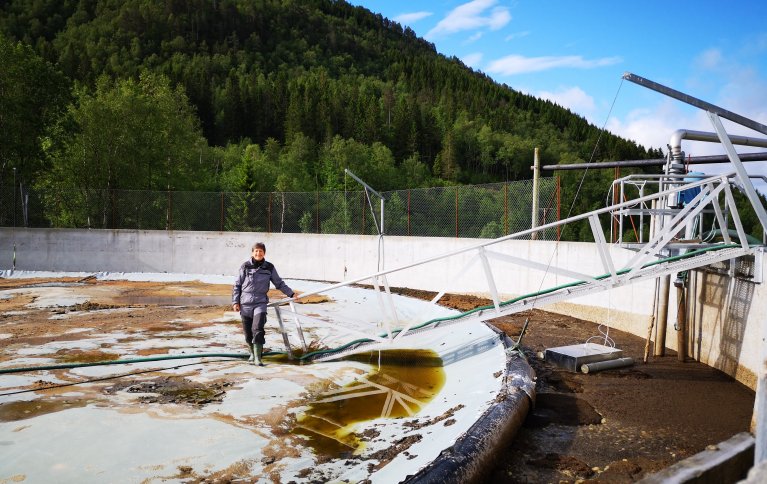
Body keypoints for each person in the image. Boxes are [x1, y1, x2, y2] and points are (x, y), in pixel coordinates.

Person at [232, 242, 295, 366]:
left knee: (258, 329)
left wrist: (291, 294)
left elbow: (279, 283)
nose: (258, 253)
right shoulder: (245, 266)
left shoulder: (269, 267)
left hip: (260, 303)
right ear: (252, 253)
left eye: (261, 251)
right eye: (256, 251)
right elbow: (237, 285)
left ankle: (258, 358)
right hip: (245, 304)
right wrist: (235, 301)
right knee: (247, 333)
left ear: (264, 253)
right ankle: (252, 353)